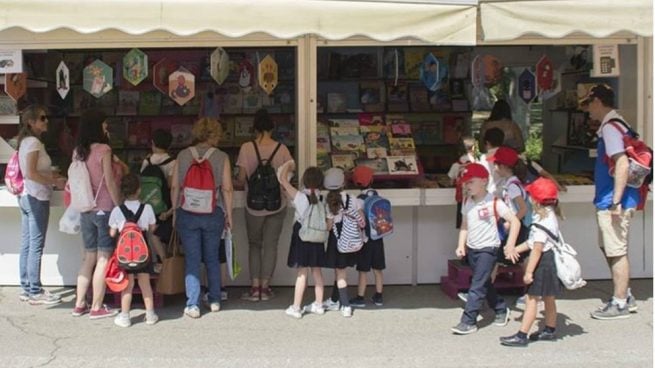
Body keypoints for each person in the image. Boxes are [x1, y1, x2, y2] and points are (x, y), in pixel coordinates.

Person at [582, 84, 639, 319]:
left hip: (613, 201)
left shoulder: (610, 128)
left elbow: (622, 163)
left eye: (588, 104)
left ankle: (620, 302)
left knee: (616, 250)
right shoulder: (618, 124)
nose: (587, 110)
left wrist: (616, 201)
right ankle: (624, 293)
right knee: (609, 246)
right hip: (611, 199)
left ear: (598, 102)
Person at [170, 117, 233, 318]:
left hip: (187, 212)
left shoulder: (183, 155)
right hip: (212, 213)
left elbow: (174, 186)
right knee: (212, 258)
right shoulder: (221, 157)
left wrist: (174, 209)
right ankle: (214, 299)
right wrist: (229, 214)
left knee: (192, 258)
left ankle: (193, 304)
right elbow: (228, 188)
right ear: (215, 135)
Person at [451, 163, 519, 335]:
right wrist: (461, 245)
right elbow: (464, 225)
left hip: (489, 249)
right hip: (473, 248)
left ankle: (468, 321)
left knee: (477, 285)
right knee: (484, 282)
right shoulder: (467, 201)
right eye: (465, 183)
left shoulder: (495, 202)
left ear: (484, 181)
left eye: (471, 182)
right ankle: (501, 308)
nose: (467, 186)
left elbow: (515, 221)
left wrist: (510, 245)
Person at [72, 108, 125, 319]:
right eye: (104, 124)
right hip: (104, 209)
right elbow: (110, 182)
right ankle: (96, 306)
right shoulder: (104, 149)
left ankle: (78, 304)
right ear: (97, 126)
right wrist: (119, 204)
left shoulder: (78, 151)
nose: (106, 127)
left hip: (85, 209)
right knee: (103, 258)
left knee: (88, 258)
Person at [235, 108, 293, 301]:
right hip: (278, 204)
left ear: (255, 128)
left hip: (253, 204)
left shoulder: (246, 148)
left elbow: (242, 178)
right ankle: (266, 288)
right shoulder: (282, 149)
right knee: (271, 245)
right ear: (272, 127)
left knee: (254, 245)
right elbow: (288, 177)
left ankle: (254, 288)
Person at [500, 178, 563, 346]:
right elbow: (532, 243)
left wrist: (528, 273)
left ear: (535, 199)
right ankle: (550, 329)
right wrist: (514, 250)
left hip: (541, 263)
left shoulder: (541, 220)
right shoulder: (550, 215)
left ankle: (522, 335)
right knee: (549, 297)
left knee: (531, 299)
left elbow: (536, 248)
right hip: (549, 261)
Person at [16, 105, 66, 305]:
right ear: (32, 122)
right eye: (42, 118)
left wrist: (50, 176)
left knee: (27, 243)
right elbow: (31, 173)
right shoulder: (34, 143)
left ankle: (27, 287)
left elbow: (31, 172)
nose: (46, 121)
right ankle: (35, 290)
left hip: (27, 195)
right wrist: (54, 181)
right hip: (36, 196)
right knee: (36, 244)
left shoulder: (25, 142)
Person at [108, 174, 158, 327]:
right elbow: (152, 228)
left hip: (124, 254)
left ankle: (125, 317)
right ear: (139, 190)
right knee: (145, 283)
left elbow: (112, 233)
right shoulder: (147, 208)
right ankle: (150, 315)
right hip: (142, 251)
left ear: (123, 191)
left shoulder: (117, 210)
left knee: (127, 285)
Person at [279, 161, 326, 319]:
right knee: (317, 271)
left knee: (302, 273)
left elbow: (283, 180)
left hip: (302, 237)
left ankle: (296, 307)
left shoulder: (301, 197)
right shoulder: (321, 197)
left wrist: (288, 164)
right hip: (318, 238)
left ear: (304, 181)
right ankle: (319, 305)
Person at [323, 168, 361, 318]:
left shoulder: (329, 202)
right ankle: (334, 299)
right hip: (351, 238)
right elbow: (359, 216)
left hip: (337, 240)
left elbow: (328, 227)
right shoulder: (352, 198)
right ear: (343, 182)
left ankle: (345, 305)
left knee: (340, 273)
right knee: (340, 271)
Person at [349, 165, 386, 308]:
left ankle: (360, 297)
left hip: (365, 239)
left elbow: (359, 220)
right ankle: (379, 296)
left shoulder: (359, 200)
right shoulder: (378, 195)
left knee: (363, 270)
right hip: (378, 237)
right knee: (378, 269)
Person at [140, 129, 176, 272]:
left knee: (151, 233)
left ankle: (157, 261)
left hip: (147, 203)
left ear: (153, 143)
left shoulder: (147, 161)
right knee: (165, 233)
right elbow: (171, 185)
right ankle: (165, 262)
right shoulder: (172, 162)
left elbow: (141, 181)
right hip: (165, 203)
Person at [447, 136, 479, 229]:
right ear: (473, 148)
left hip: (462, 199)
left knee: (463, 226)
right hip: (476, 198)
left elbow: (450, 182)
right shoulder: (478, 163)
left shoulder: (456, 165)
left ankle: (464, 243)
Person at [479, 128, 505, 197]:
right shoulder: (507, 155)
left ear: (487, 142)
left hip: (490, 194)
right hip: (507, 193)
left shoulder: (484, 158)